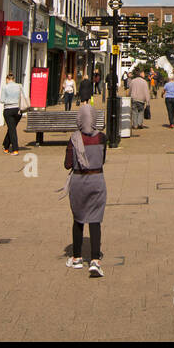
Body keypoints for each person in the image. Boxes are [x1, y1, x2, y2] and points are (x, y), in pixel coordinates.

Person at [63, 103, 107, 278]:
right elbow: (103, 159)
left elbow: (67, 164)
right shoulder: (102, 138)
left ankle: (76, 257)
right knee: (95, 220)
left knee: (78, 219)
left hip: (79, 181)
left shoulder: (74, 139)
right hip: (97, 180)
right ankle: (95, 260)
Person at [1, 73, 25, 155]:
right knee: (12, 128)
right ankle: (6, 146)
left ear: (7, 79)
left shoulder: (5, 87)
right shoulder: (19, 86)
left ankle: (15, 149)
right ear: (14, 79)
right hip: (18, 110)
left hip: (8, 110)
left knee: (12, 129)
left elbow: (1, 99)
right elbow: (23, 96)